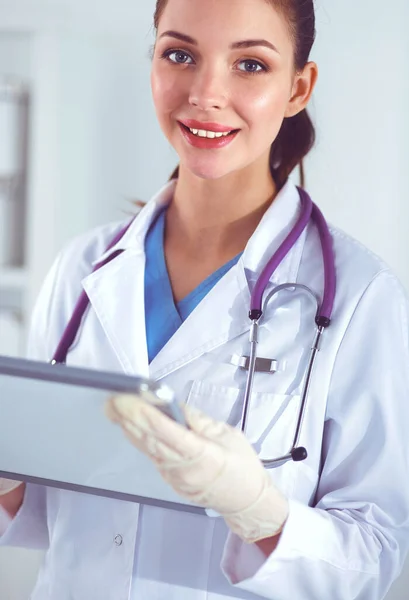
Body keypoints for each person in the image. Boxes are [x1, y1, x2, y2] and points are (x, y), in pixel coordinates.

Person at [1, 0, 409, 598]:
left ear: (299, 87)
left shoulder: (357, 295)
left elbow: (378, 555)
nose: (205, 93)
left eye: (249, 65)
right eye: (180, 54)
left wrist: (258, 510)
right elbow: (40, 511)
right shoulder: (83, 269)